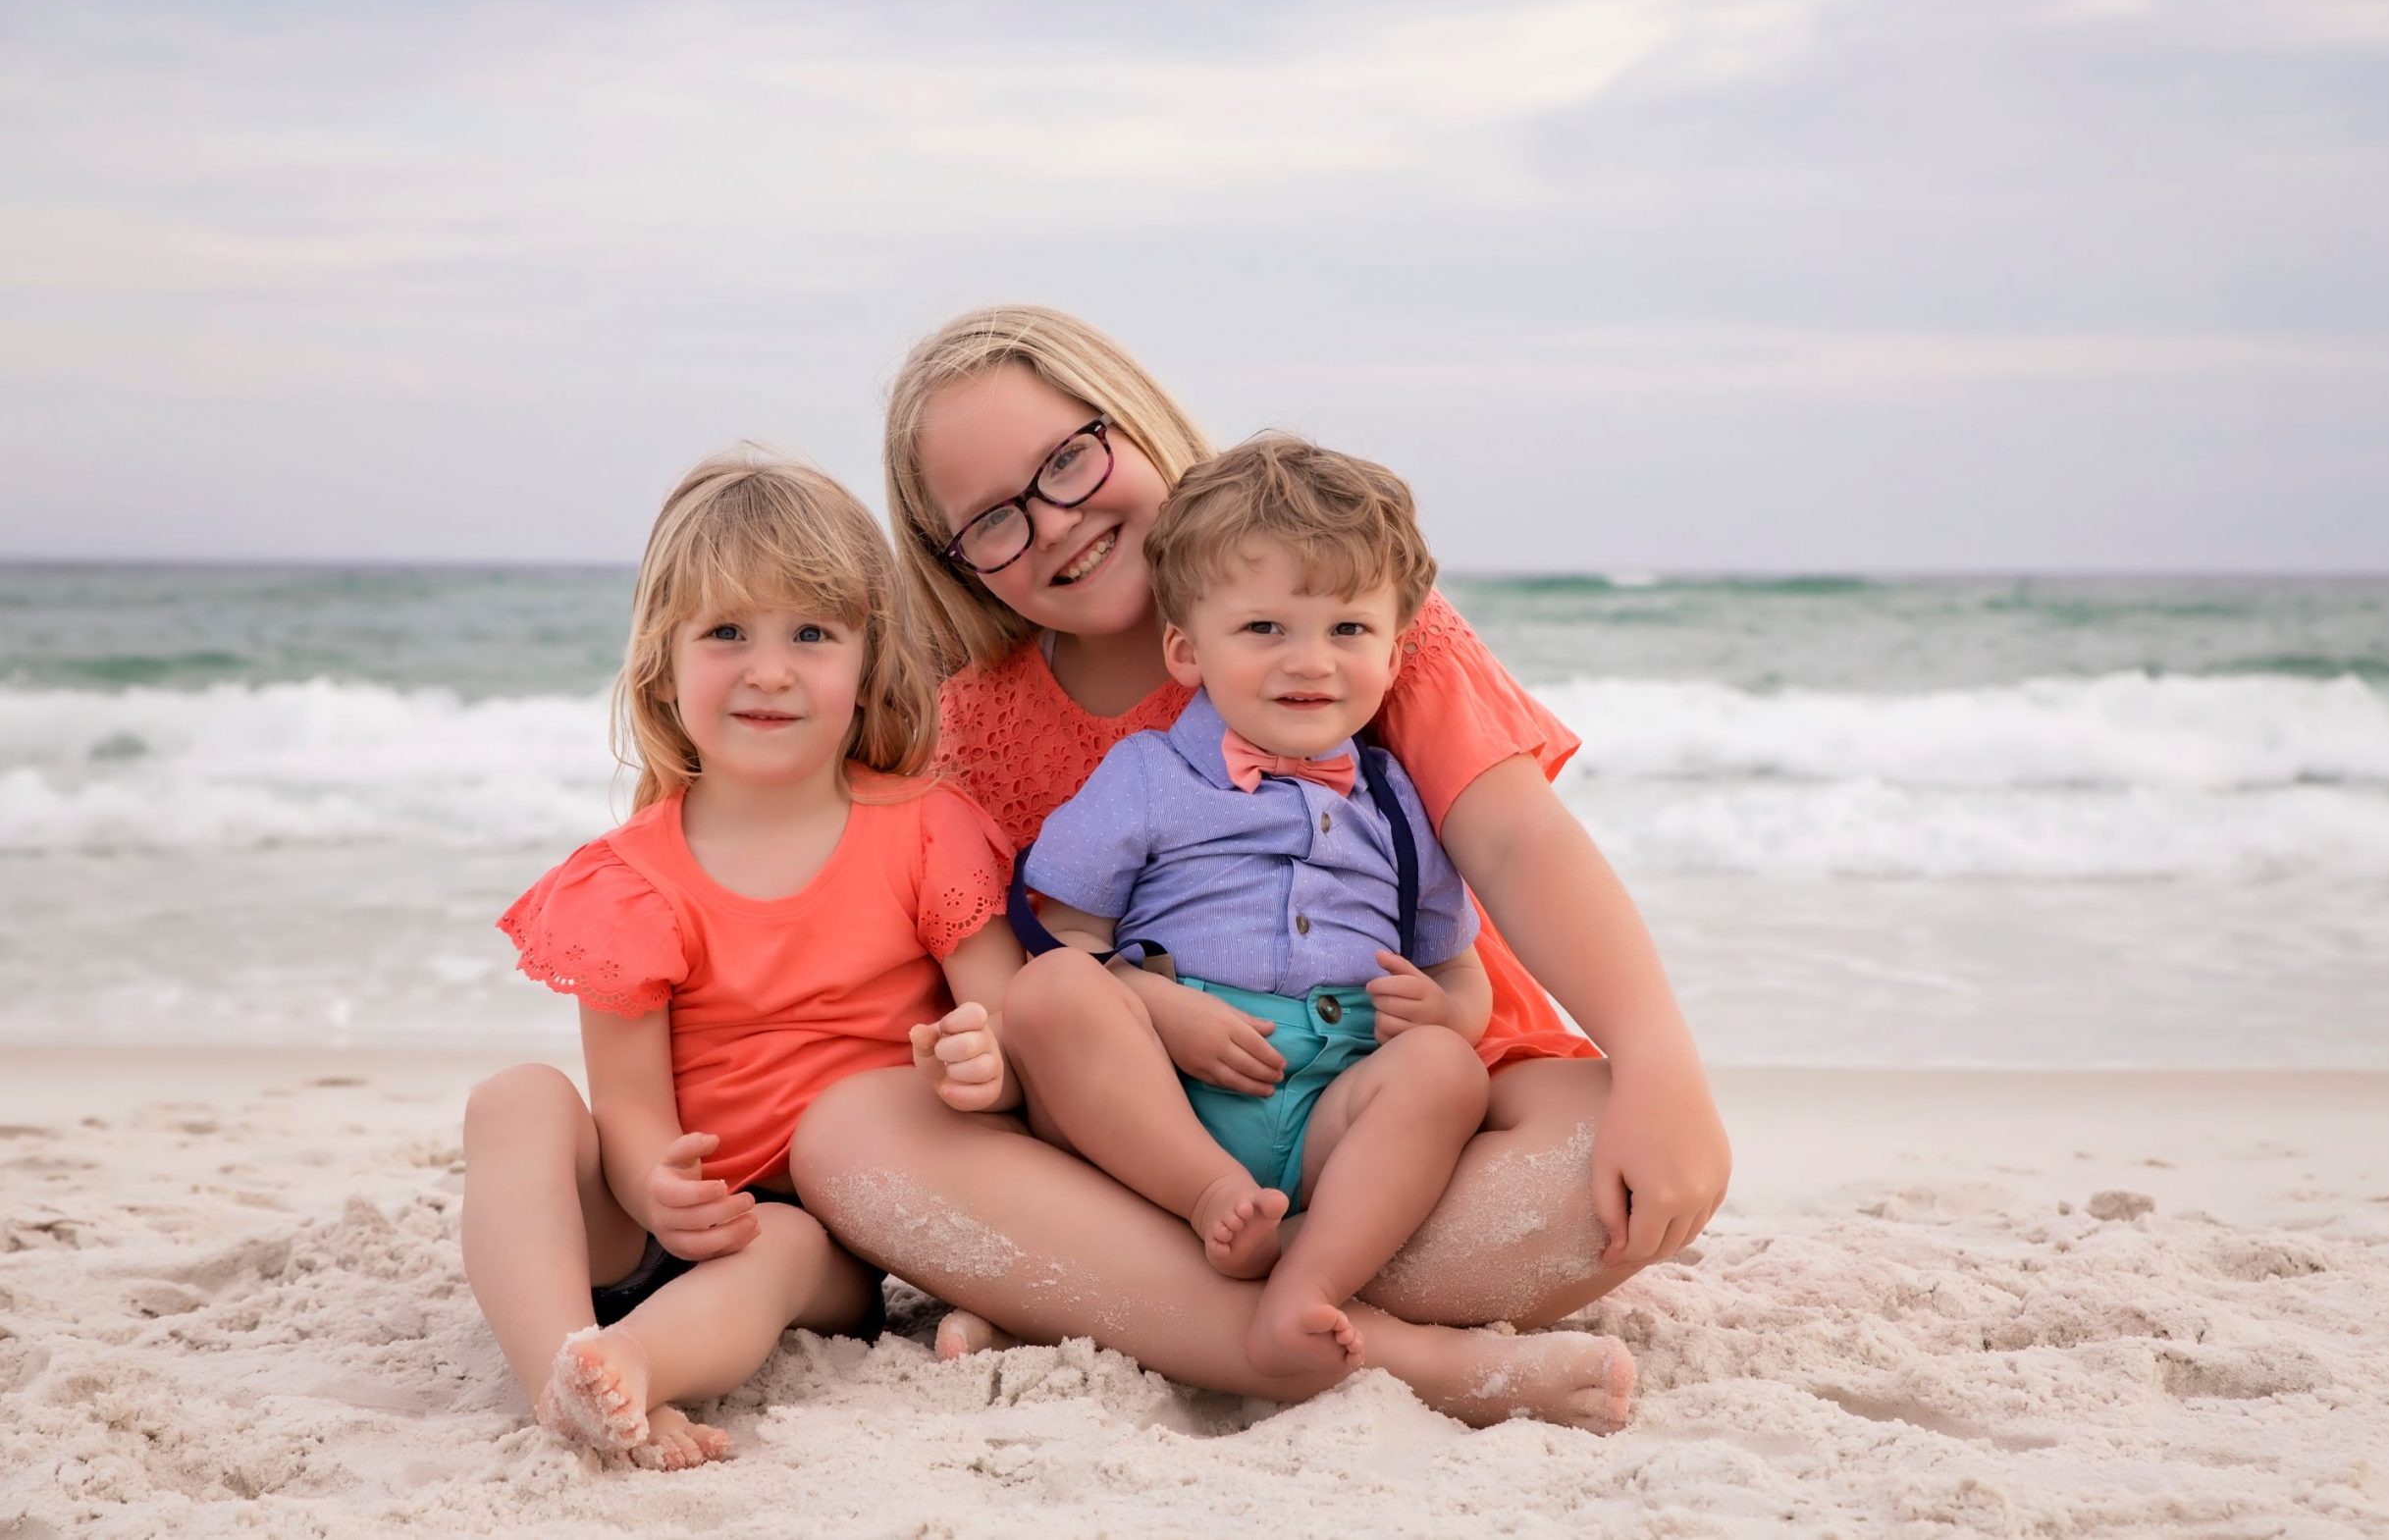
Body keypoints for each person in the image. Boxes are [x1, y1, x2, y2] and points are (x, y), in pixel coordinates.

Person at [785, 304, 1725, 1426]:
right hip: (1151, 1153)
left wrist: (1661, 1060)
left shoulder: (1351, 618)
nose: (1054, 525)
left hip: (1403, 1119)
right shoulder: (971, 729)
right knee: (847, 1138)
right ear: (955, 565)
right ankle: (1346, 1342)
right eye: (993, 521)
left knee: (1604, 1149)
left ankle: (1124, 1301)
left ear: (1131, 423)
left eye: (1071, 462)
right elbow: (1002, 982)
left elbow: (1514, 838)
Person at [460, 450, 1023, 1469]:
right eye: (726, 633)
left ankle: (628, 1368)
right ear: (664, 669)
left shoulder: (927, 832)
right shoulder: (628, 878)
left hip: (823, 1234)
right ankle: (567, 1368)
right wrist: (650, 1185)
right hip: (651, 1223)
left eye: (811, 634)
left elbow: (1014, 1032)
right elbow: (628, 1099)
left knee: (781, 1244)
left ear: (867, 663)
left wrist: (981, 1067)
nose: (769, 670)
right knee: (514, 1100)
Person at [1015, 436, 1494, 1377]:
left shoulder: (1397, 800)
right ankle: (1208, 1201)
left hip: (1329, 1105)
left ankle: (1304, 1283)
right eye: (1265, 628)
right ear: (1188, 652)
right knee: (1049, 997)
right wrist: (1160, 1007)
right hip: (1165, 1107)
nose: (1309, 661)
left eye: (1348, 630)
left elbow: (1458, 972)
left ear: (1396, 651)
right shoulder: (1149, 774)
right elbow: (1060, 935)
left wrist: (1442, 1015)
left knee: (1445, 1070)